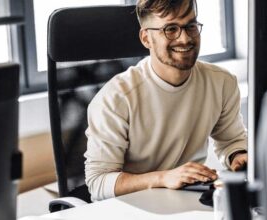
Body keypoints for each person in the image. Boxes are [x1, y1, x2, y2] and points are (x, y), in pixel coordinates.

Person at [84, 0, 248, 201]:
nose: (185, 38)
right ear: (146, 38)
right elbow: (98, 183)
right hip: (132, 207)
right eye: (171, 29)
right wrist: (163, 178)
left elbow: (231, 141)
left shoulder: (221, 82)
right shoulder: (116, 99)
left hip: (187, 201)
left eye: (191, 26)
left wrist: (239, 157)